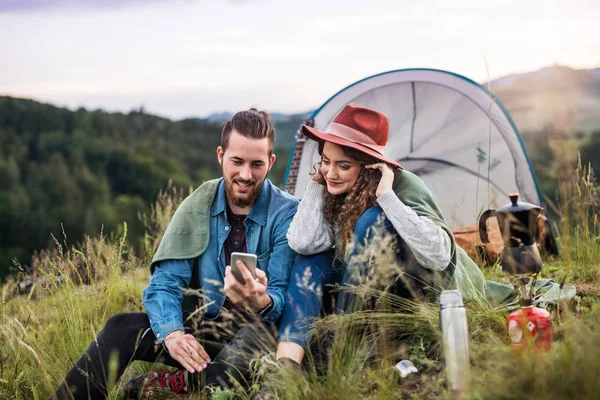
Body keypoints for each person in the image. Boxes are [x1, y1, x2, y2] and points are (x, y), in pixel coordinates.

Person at [54, 108, 298, 399]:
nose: (246, 174)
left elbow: (282, 297)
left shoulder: (286, 212)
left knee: (257, 336)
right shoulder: (198, 205)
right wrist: (173, 333)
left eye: (256, 164)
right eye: (237, 161)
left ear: (270, 162)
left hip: (257, 334)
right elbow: (165, 284)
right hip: (209, 329)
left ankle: (176, 385)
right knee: (120, 328)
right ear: (221, 155)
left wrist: (263, 301)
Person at [272, 103, 486, 369]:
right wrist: (317, 184)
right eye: (326, 161)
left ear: (369, 167)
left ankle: (340, 340)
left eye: (343, 165)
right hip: (365, 290)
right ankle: (285, 368)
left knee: (373, 220)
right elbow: (303, 242)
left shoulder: (403, 186)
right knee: (310, 262)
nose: (332, 173)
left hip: (416, 289)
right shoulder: (333, 185)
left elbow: (440, 255)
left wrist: (387, 197)